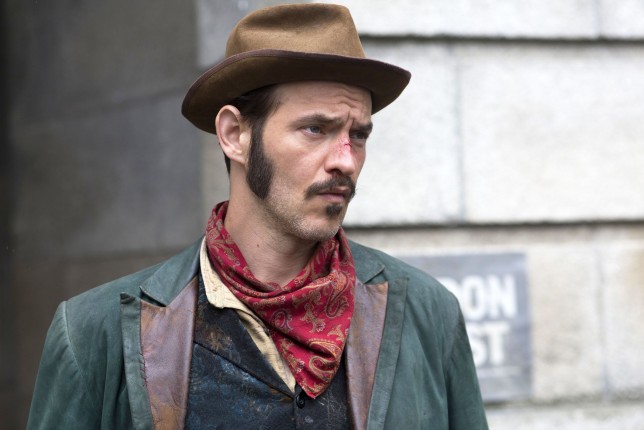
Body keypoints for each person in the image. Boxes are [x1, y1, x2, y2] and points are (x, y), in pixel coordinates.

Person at [27, 3, 488, 429]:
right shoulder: (94, 334)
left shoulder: (429, 315)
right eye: (316, 128)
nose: (346, 161)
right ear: (234, 134)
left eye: (359, 135)